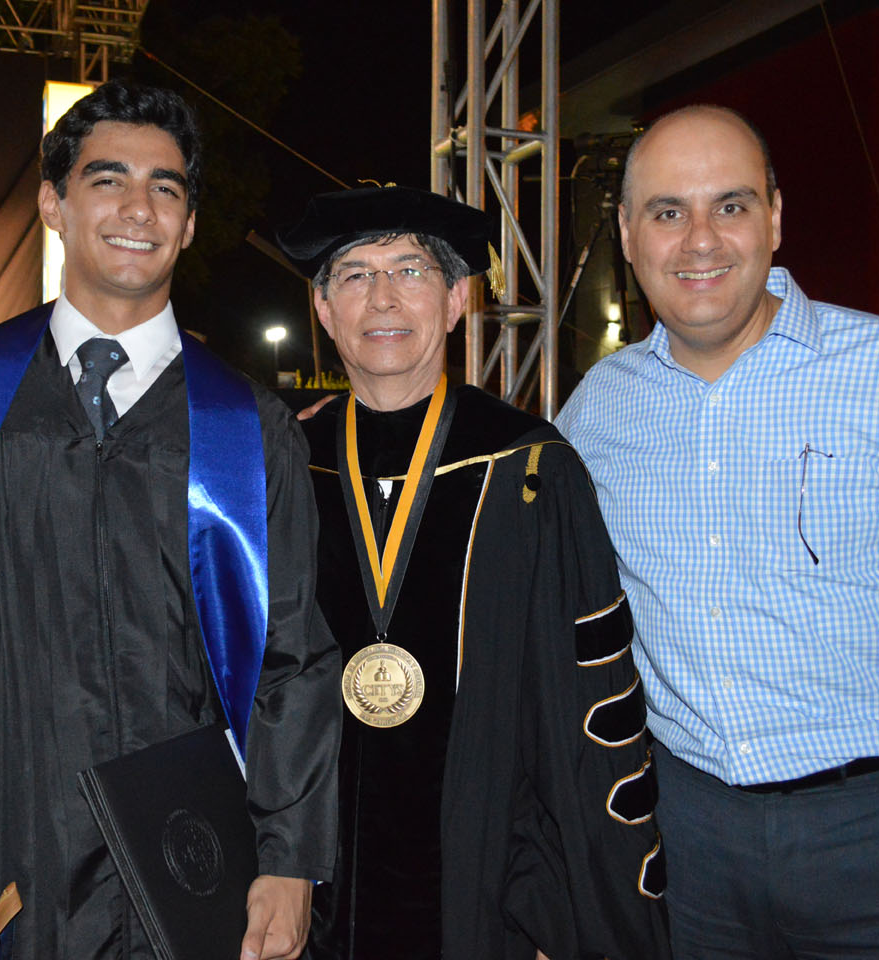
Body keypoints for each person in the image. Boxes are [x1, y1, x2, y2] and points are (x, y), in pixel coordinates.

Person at [555, 104, 879, 960]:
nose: (700, 240)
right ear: (627, 234)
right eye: (668, 211)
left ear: (774, 218)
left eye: (730, 205)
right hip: (685, 842)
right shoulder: (596, 413)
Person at [0, 80, 340, 960]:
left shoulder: (248, 428)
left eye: (166, 188)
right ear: (52, 204)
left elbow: (293, 651)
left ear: (190, 223)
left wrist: (291, 858)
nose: (139, 208)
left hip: (187, 854)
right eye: (107, 180)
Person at [275, 186, 670, 960]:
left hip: (489, 884)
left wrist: (561, 911)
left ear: (457, 300)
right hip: (313, 884)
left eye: (410, 271)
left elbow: (584, 712)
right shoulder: (287, 466)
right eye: (354, 275)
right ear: (323, 309)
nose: (382, 299)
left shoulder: (530, 469)